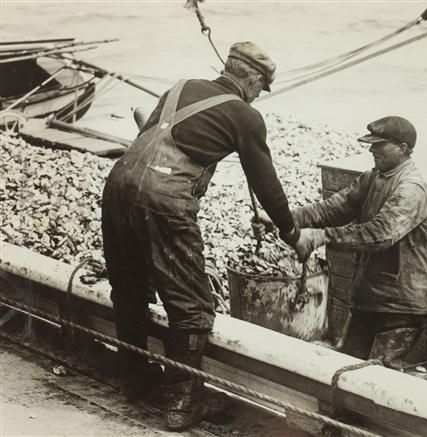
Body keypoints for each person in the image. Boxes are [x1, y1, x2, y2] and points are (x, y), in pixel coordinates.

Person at [101, 41, 309, 431]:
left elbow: (151, 135)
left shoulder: (180, 87)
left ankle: (134, 379)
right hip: (164, 199)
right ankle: (182, 405)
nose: (257, 96)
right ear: (253, 79)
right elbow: (266, 184)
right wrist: (292, 232)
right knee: (193, 308)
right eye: (260, 89)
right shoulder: (246, 115)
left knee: (128, 289)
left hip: (118, 186)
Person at [254, 116, 427, 368]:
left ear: (403, 148)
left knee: (379, 374)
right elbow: (330, 210)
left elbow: (378, 234)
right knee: (347, 366)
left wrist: (320, 237)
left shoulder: (412, 189)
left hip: (401, 306)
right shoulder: (373, 178)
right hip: (371, 298)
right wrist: (280, 219)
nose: (371, 149)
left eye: (379, 144)